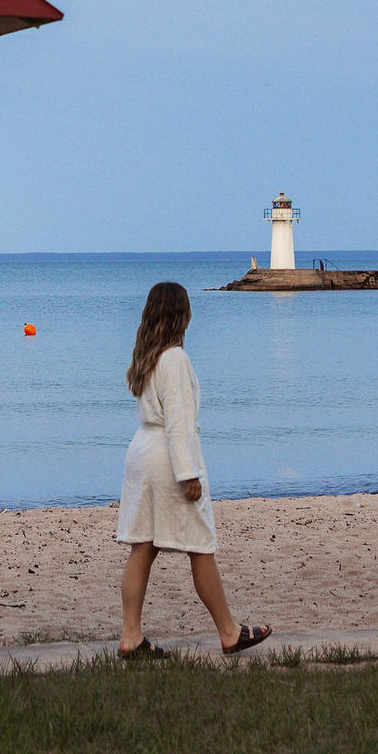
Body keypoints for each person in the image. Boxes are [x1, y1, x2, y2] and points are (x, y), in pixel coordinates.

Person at [117, 280, 271, 661]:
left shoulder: (146, 357)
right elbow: (179, 423)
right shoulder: (175, 359)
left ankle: (130, 636)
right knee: (201, 546)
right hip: (167, 458)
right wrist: (188, 474)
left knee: (143, 546)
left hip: (142, 454)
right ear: (181, 316)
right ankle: (229, 633)